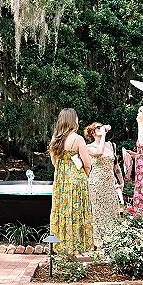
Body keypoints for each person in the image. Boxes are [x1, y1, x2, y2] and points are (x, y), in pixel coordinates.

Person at [48, 108, 94, 254]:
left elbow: (54, 163)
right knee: (76, 212)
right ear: (73, 120)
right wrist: (85, 174)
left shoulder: (55, 140)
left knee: (62, 211)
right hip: (76, 180)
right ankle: (77, 247)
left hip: (61, 181)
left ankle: (62, 246)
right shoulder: (77, 139)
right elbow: (87, 163)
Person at [84, 122, 122, 243]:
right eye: (98, 128)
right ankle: (97, 242)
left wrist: (121, 181)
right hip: (96, 183)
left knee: (112, 211)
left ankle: (112, 240)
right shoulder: (89, 147)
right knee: (98, 212)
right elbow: (99, 152)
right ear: (92, 132)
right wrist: (104, 135)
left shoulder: (111, 146)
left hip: (110, 182)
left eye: (102, 127)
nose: (101, 129)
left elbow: (115, 164)